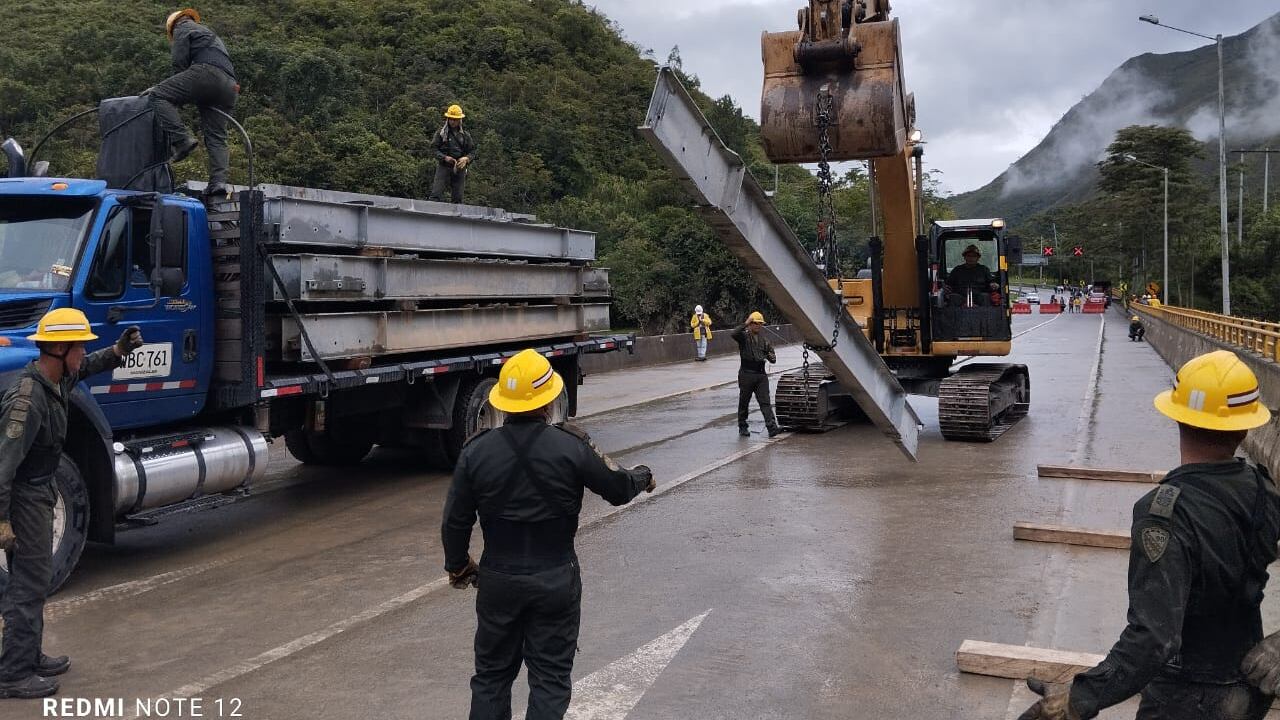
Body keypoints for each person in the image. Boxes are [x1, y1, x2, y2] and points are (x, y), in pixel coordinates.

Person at [1017, 349, 1279, 720]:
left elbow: (1156, 638)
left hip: (1187, 699)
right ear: (1246, 426)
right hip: (1249, 690)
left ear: (1176, 416)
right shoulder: (1263, 490)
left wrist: (1078, 700)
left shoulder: (1164, 513)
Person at [441, 348, 654, 720]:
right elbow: (618, 488)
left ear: (502, 403)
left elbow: (455, 522)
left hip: (498, 581)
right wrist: (642, 475)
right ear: (548, 398)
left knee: (491, 678)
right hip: (555, 579)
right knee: (550, 681)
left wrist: (459, 567)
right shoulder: (571, 446)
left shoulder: (475, 452)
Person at [0, 309, 142, 699]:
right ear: (59, 348)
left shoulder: (56, 379)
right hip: (26, 496)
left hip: (40, 491)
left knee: (33, 580)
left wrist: (118, 351)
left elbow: (89, 367)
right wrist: (1, 522)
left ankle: (27, 654)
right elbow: (2, 468)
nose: (83, 353)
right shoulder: (27, 401)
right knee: (29, 584)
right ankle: (12, 673)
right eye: (79, 346)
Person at [148, 8, 238, 199]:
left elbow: (179, 62)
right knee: (217, 137)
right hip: (229, 85)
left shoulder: (183, 27)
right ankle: (218, 183)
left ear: (173, 27)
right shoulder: (208, 33)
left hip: (207, 75)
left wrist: (174, 92)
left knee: (158, 95)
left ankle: (181, 141)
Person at [731, 312, 779, 438]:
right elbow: (733, 334)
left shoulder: (764, 340)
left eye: (760, 324)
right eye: (756, 323)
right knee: (744, 402)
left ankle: (772, 427)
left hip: (760, 375)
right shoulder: (744, 337)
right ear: (751, 324)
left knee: (765, 402)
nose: (758, 326)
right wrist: (745, 324)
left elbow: (773, 358)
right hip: (746, 374)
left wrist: (768, 355)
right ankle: (742, 426)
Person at [430, 105, 477, 204]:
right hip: (444, 165)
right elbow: (433, 149)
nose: (452, 121)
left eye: (455, 119)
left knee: (458, 197)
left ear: (460, 120)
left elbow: (472, 152)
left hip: (459, 167)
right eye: (451, 119)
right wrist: (444, 158)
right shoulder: (441, 133)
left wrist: (466, 159)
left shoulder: (465, 135)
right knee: (436, 194)